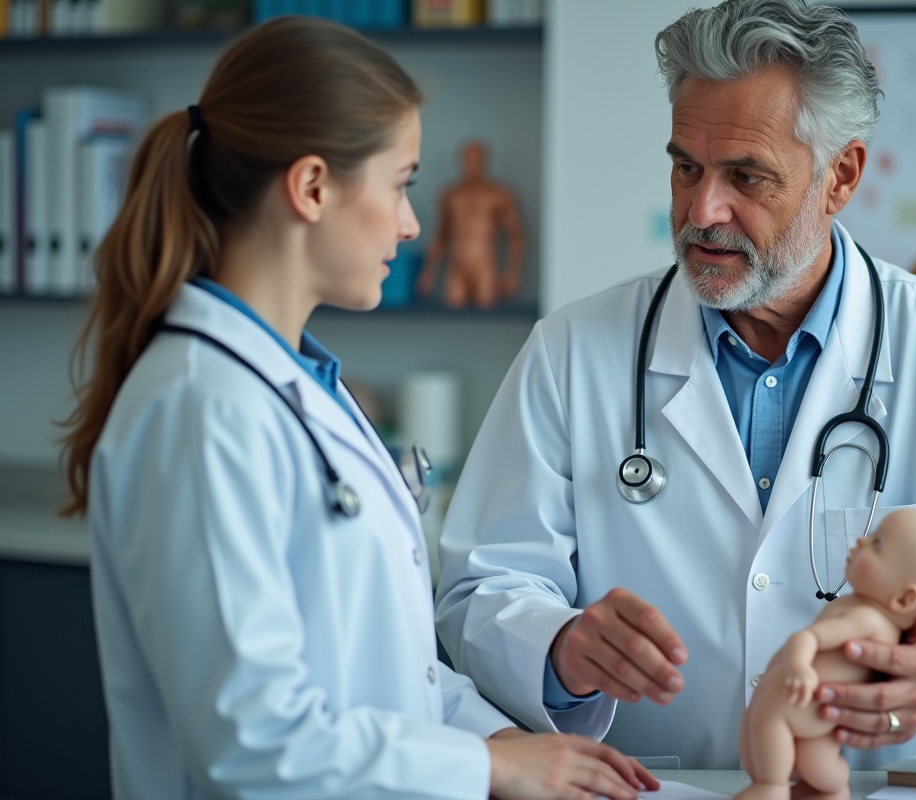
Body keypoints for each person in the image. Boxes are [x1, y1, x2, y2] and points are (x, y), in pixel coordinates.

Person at [435, 0, 916, 791]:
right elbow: (482, 589)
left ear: (841, 175)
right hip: (644, 786)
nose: (703, 211)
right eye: (686, 168)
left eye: (746, 176)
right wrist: (559, 646)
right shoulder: (571, 351)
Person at [59, 17, 656, 800]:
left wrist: (504, 742)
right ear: (312, 187)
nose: (412, 224)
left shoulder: (306, 388)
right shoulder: (202, 408)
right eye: (401, 183)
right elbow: (251, 740)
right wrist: (488, 768)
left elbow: (393, 674)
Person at [736, 510, 916, 800]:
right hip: (824, 712)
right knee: (817, 765)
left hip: (795, 701)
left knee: (765, 725)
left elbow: (809, 638)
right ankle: (831, 789)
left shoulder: (866, 618)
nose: (861, 540)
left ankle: (770, 787)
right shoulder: (871, 617)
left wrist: (798, 665)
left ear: (904, 599)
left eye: (877, 544)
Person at [416, 140, 526, 308]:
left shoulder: (498, 195)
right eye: (467, 160)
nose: (471, 165)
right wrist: (428, 271)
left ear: (484, 161)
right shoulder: (451, 195)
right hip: (457, 266)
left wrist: (513, 272)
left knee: (486, 317)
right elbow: (441, 235)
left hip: (485, 267)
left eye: (475, 160)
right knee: (452, 316)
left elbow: (516, 235)